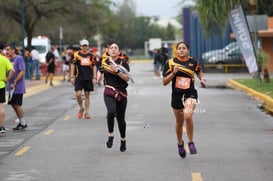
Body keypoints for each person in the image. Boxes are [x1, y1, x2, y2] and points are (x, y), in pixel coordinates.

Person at [162, 41, 206, 158]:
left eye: (184, 48)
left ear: (187, 50)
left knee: (187, 116)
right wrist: (173, 73)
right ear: (176, 50)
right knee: (179, 122)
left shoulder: (193, 61)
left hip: (190, 93)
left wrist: (202, 79)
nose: (182, 50)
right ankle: (180, 143)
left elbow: (198, 71)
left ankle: (191, 142)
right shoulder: (170, 63)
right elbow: (164, 82)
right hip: (176, 95)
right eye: (179, 48)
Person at [97, 42, 130, 152]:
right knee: (111, 112)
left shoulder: (123, 63)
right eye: (112, 48)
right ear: (108, 51)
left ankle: (123, 140)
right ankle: (110, 136)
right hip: (109, 91)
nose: (114, 50)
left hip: (121, 92)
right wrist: (98, 77)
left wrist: (118, 72)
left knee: (121, 119)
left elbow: (127, 78)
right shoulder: (104, 61)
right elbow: (100, 71)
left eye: (116, 48)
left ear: (119, 51)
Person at [70, 39, 97, 119]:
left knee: (87, 95)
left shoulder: (92, 55)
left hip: (88, 77)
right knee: (78, 94)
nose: (84, 47)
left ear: (88, 46)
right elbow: (73, 65)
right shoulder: (76, 55)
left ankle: (86, 112)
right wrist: (72, 76)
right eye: (83, 46)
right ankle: (81, 108)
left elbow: (94, 66)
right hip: (79, 77)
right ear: (80, 46)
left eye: (86, 46)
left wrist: (94, 77)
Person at [5, 43, 28, 130]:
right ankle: (20, 121)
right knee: (13, 104)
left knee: (17, 104)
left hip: (17, 86)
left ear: (13, 50)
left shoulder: (19, 58)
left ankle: (23, 122)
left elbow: (22, 72)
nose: (6, 51)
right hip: (11, 87)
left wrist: (14, 82)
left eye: (8, 49)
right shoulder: (9, 59)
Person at [0, 54, 15, 134]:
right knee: (1, 106)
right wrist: (7, 79)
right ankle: (2, 127)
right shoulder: (4, 59)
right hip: (1, 84)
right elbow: (13, 70)